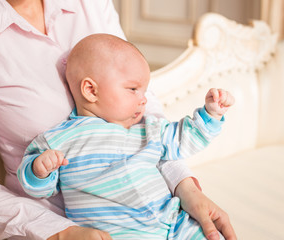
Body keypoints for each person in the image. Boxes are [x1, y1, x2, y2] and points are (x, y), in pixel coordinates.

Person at [0, 0, 236, 239]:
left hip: (161, 210)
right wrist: (59, 232)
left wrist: (187, 190)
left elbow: (145, 115)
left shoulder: (88, 3)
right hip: (66, 224)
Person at [17, 33, 235, 240]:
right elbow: (37, 187)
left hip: (174, 224)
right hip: (120, 233)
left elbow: (183, 139)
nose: (143, 100)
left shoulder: (148, 128)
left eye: (144, 91)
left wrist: (210, 115)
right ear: (91, 90)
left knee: (210, 234)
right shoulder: (59, 139)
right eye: (133, 89)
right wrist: (38, 169)